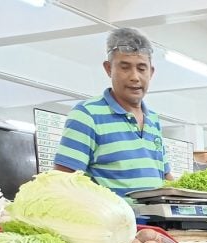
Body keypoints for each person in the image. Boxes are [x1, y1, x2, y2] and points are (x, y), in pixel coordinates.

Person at [54, 28, 172, 196]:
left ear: (151, 72)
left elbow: (165, 176)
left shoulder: (153, 119)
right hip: (110, 221)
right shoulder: (87, 115)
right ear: (108, 68)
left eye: (141, 68)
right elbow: (63, 181)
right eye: (125, 67)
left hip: (154, 223)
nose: (135, 77)